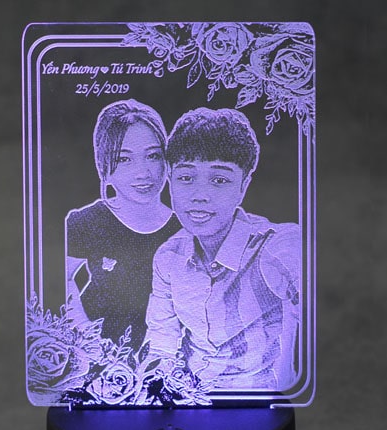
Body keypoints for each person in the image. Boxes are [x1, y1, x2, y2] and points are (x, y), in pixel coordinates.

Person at [144, 107, 300, 390]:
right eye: (186, 178)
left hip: (256, 400)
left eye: (219, 180)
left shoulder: (274, 246)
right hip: (190, 398)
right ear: (169, 179)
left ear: (243, 186)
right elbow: (162, 344)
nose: (199, 196)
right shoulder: (168, 257)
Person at [66, 99, 181, 352]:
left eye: (153, 156)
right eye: (124, 159)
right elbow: (57, 277)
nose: (143, 172)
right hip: (96, 354)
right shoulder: (87, 221)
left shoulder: (184, 229)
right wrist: (84, 332)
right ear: (103, 166)